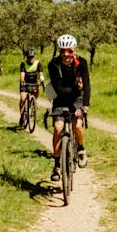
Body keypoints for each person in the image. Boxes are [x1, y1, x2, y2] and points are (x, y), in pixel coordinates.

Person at [46, 33, 90, 180]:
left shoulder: (81, 63)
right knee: (58, 128)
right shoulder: (53, 65)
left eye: (69, 51)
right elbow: (58, 89)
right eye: (63, 51)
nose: (66, 54)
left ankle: (81, 149)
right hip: (60, 98)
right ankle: (57, 165)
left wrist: (84, 106)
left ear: (74, 50)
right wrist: (76, 87)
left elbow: (87, 86)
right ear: (59, 51)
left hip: (77, 98)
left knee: (77, 125)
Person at [19, 48, 45, 126]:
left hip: (34, 82)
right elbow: (22, 74)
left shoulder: (38, 63)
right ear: (27, 57)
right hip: (25, 82)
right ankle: (22, 116)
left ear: (34, 56)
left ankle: (34, 101)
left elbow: (40, 73)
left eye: (32, 57)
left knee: (37, 89)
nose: (31, 59)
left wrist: (42, 80)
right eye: (29, 57)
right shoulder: (23, 63)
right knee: (23, 98)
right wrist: (22, 81)